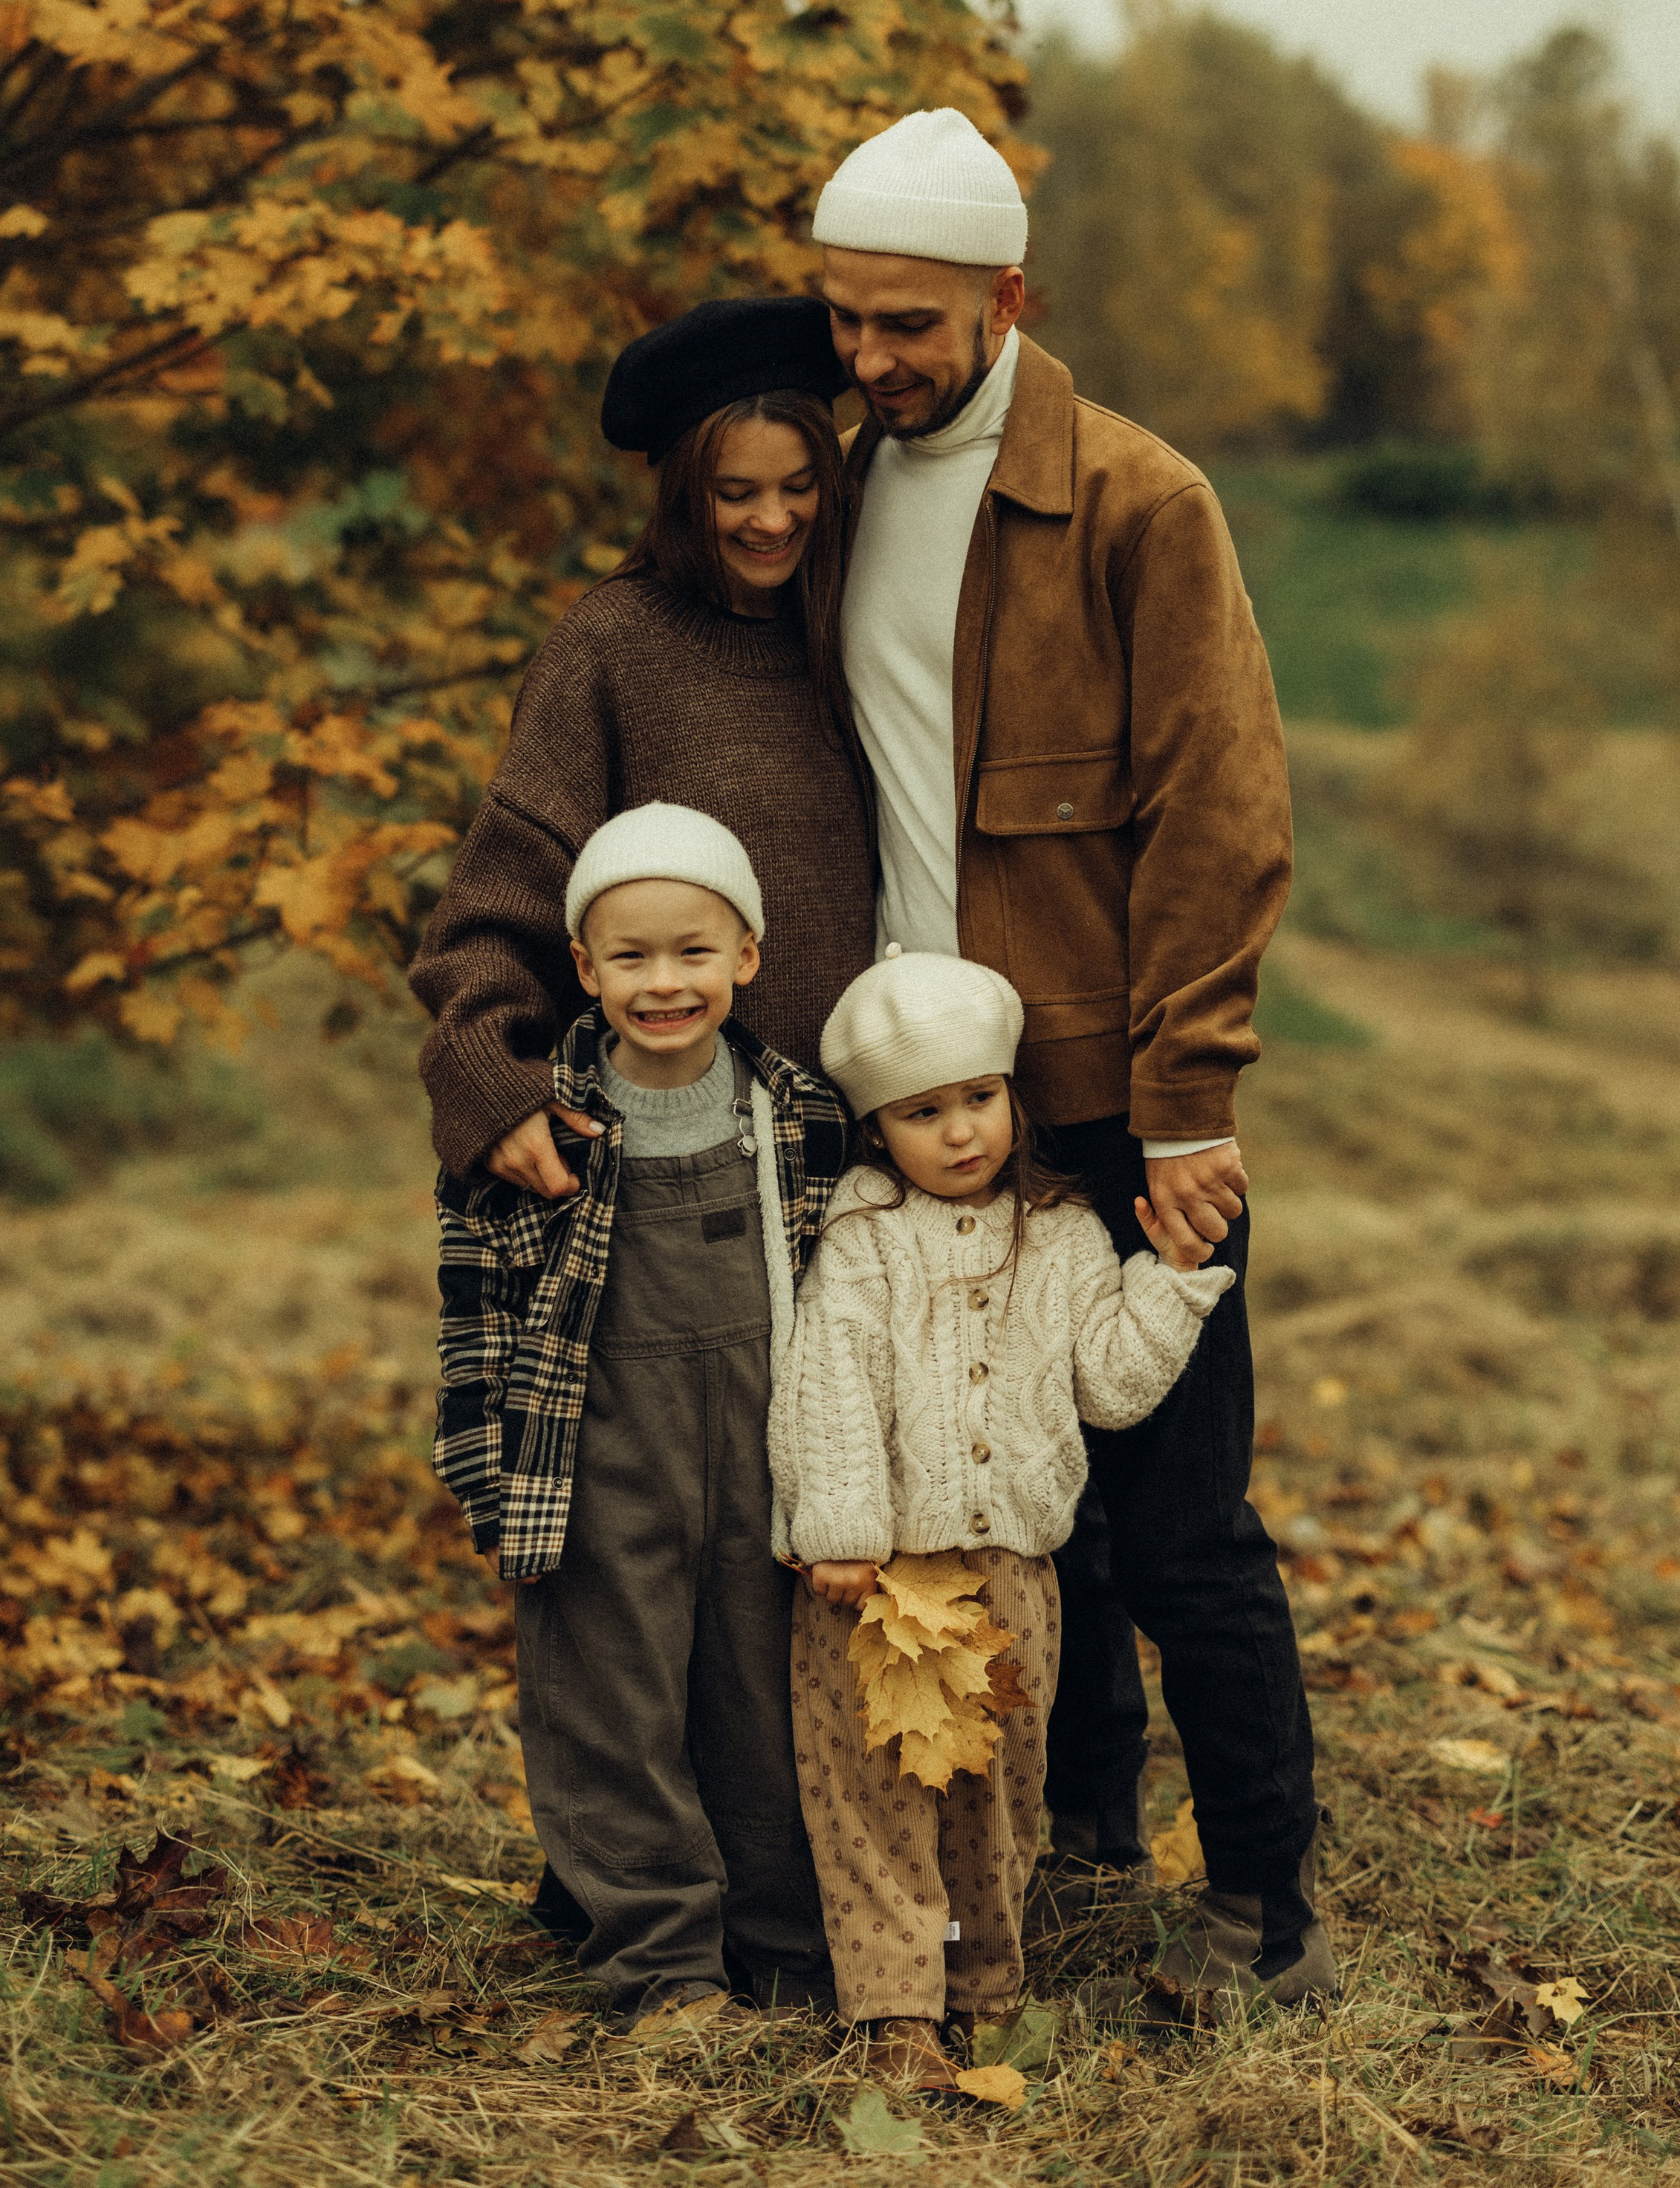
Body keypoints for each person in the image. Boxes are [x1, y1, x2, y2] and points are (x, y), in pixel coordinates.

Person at [811, 106, 1334, 2013]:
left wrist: (1190, 1097)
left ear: (1005, 301)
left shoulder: (1131, 497)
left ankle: (1266, 1906)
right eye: (843, 315)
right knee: (1013, 1495)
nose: (866, 356)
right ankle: (1089, 1838)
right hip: (918, 1096)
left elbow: (1222, 807)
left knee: (1180, 1513)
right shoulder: (842, 488)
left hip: (1114, 1092)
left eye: (906, 322)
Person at [768, 948, 1230, 2091]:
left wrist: (1166, 1281)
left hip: (1015, 1572)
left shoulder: (1066, 1236)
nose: (961, 1131)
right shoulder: (865, 1235)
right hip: (881, 1574)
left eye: (979, 1098)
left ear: (1013, 1094)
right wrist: (840, 1527)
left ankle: (980, 1985)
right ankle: (895, 2010)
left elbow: (1112, 1388)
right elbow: (829, 1375)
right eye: (923, 1113)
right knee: (877, 1792)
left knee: (997, 1793)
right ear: (879, 1130)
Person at [433, 803, 852, 2027]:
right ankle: (663, 1966)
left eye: (692, 953)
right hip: (596, 1458)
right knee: (612, 1711)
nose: (663, 983)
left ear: (748, 957)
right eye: (631, 958)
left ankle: (782, 1947)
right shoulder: (533, 1123)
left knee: (761, 1706)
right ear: (584, 968)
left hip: (761, 1457)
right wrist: (485, 1474)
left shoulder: (798, 1116)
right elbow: (477, 1314)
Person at [411, 294, 875, 1200]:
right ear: (680, 491)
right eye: (735, 493)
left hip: (863, 1160)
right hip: (677, 1165)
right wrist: (488, 1084)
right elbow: (495, 908)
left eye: (798, 486)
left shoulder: (856, 632)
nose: (773, 520)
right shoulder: (609, 651)